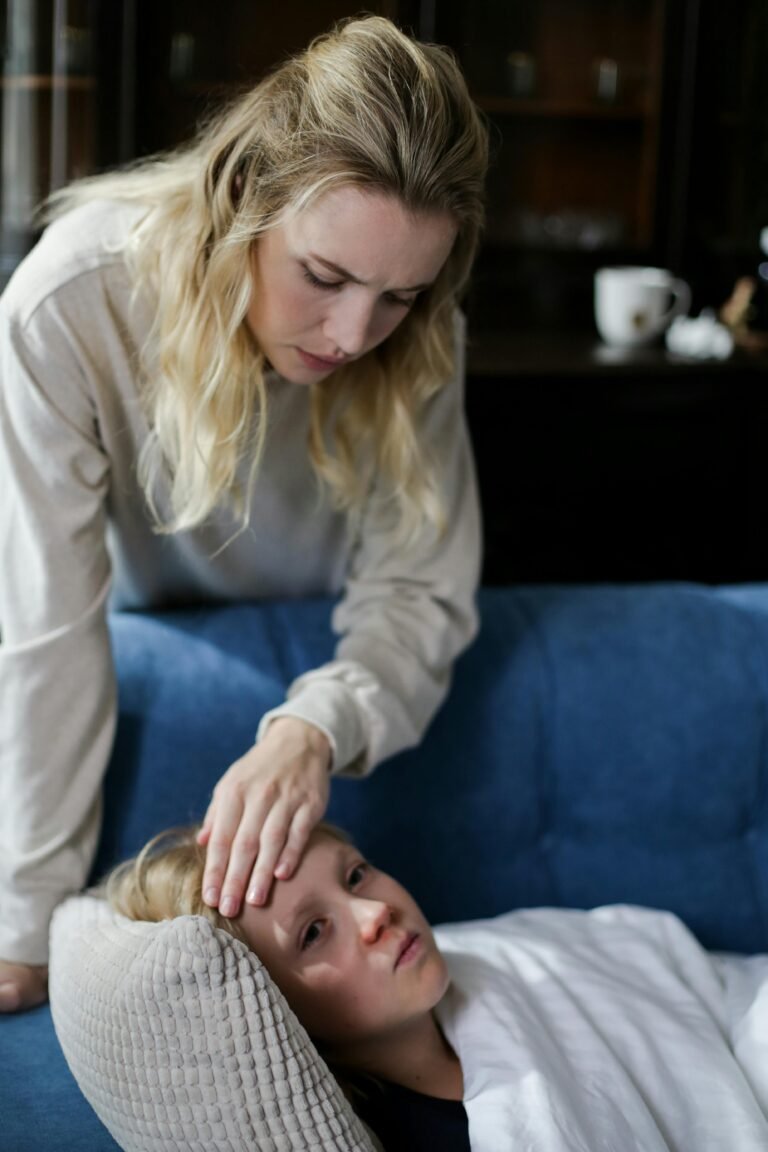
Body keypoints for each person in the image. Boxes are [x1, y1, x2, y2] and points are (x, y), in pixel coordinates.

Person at [0, 15, 489, 1012]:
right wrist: (23, 920)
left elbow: (419, 592)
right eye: (324, 276)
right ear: (242, 200)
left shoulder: (423, 336)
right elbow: (45, 628)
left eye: (399, 294)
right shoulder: (74, 301)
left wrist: (314, 726)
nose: (353, 333)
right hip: (143, 646)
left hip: (340, 669)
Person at [103, 822, 768, 1152]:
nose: (375, 913)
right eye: (313, 933)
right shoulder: (402, 1134)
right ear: (272, 1005)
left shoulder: (499, 956)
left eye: (355, 874)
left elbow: (684, 980)